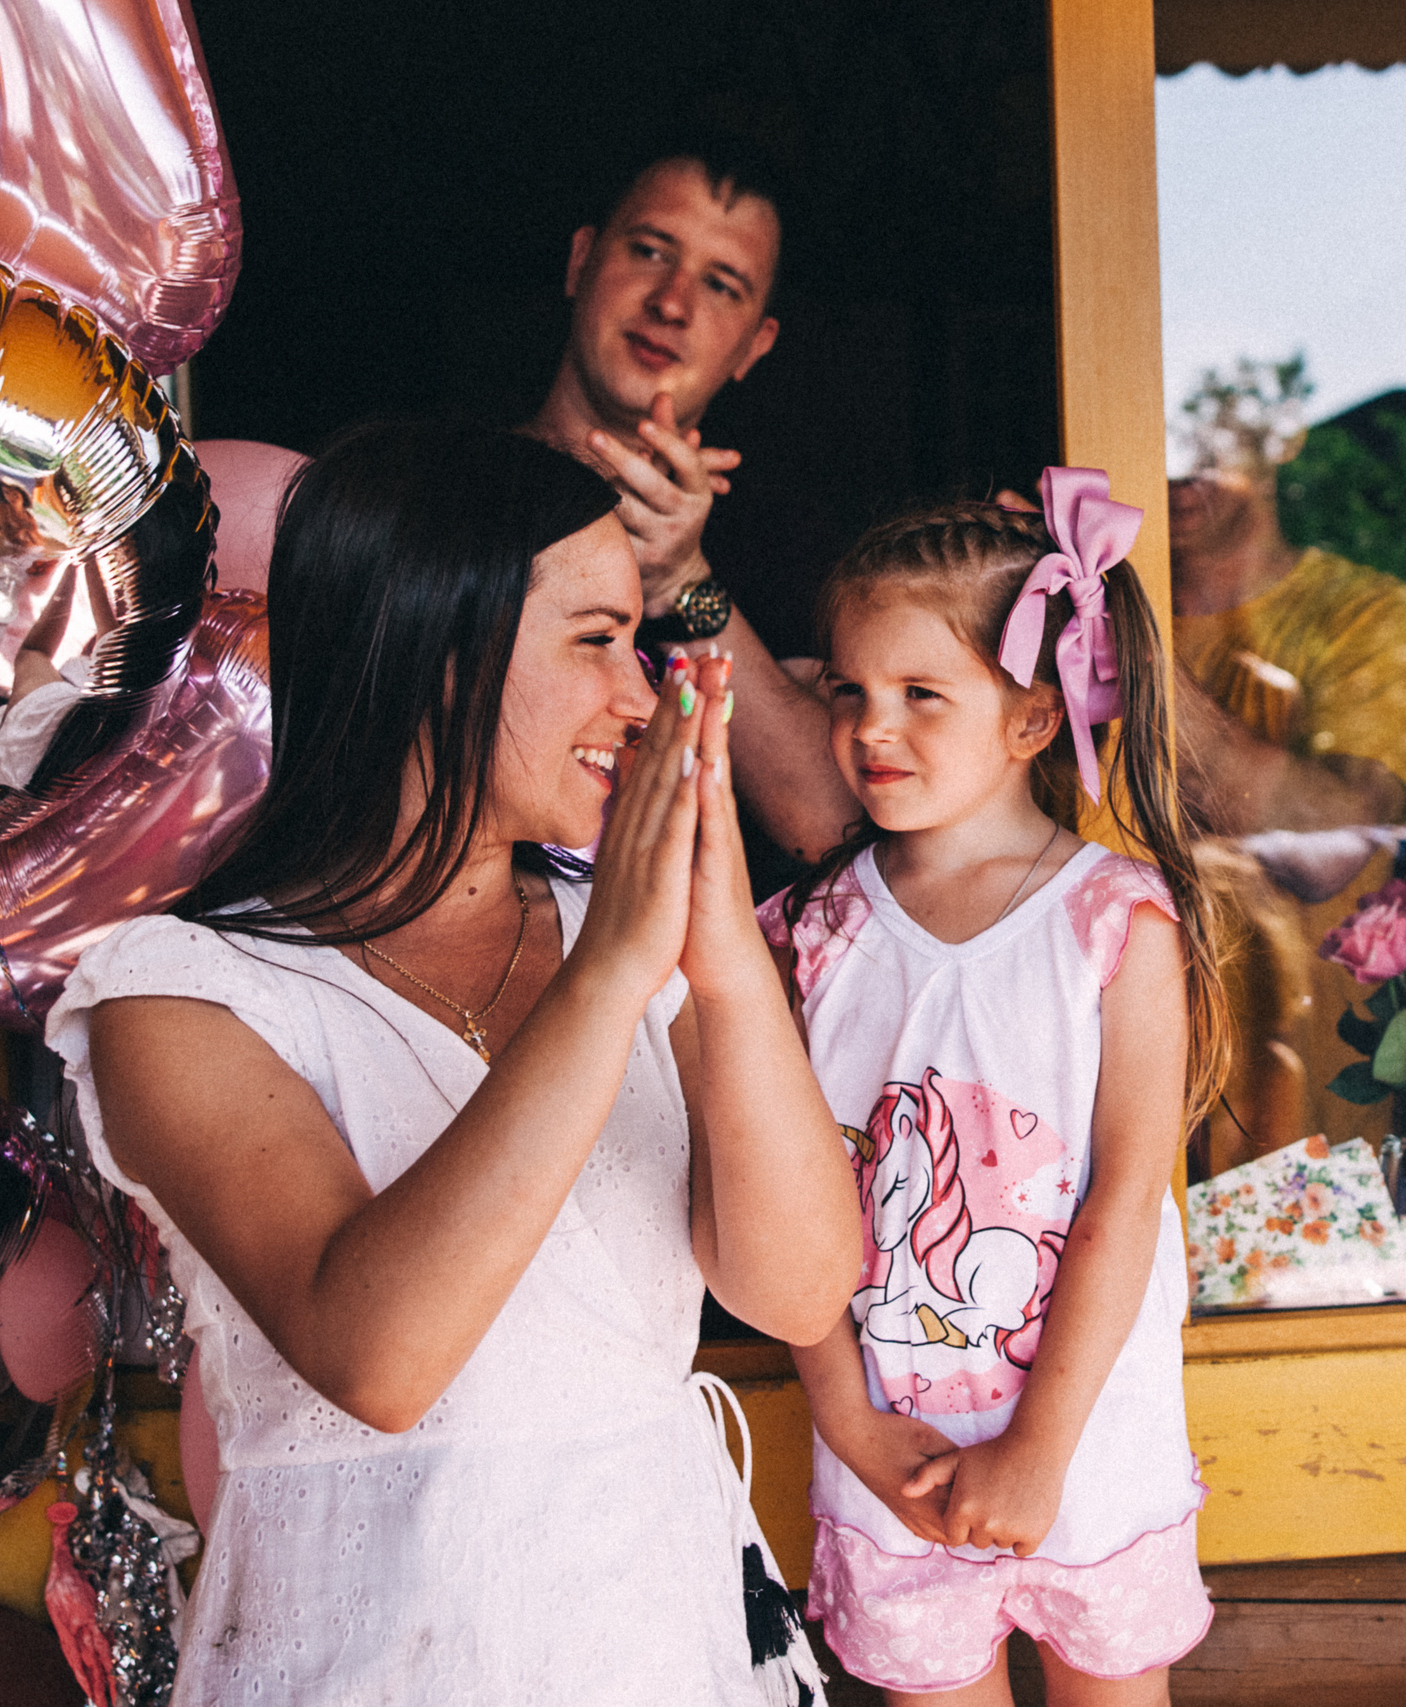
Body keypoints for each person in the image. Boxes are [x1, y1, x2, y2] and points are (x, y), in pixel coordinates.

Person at [43, 421, 858, 1706]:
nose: (639, 698)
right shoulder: (178, 995)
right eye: (595, 640)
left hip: (664, 1639)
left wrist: (724, 956)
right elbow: (380, 1355)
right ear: (434, 646)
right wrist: (608, 980)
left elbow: (801, 1288)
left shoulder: (633, 937)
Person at [775, 477, 1227, 1705]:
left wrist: (1037, 1451)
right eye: (850, 693)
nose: (874, 729)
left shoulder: (1115, 922)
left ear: (1032, 719)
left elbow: (1125, 1197)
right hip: (891, 1464)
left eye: (923, 695)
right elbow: (784, 1210)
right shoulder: (811, 936)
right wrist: (855, 1431)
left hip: (1080, 1454)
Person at [526, 144, 854, 870]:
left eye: (723, 284)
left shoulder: (780, 534)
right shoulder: (447, 480)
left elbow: (828, 820)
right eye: (649, 251)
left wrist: (680, 581)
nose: (671, 302)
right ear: (581, 260)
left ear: (755, 345)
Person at [1168, 423, 1406, 1167]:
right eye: (1154, 437)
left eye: (1201, 434)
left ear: (1275, 441)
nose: (1173, 463)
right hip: (1119, 1106)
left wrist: (1127, 645)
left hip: (1294, 1129)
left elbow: (1327, 848)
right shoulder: (1051, 626)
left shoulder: (1367, 614)